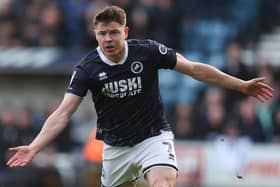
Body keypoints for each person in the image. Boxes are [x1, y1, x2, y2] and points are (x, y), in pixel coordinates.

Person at [7, 5, 274, 187]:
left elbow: (194, 69)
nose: (108, 39)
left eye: (113, 32)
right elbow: (63, 112)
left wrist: (241, 85)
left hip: (152, 137)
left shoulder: (147, 52)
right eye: (102, 34)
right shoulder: (87, 68)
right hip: (115, 149)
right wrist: (35, 146)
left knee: (162, 181)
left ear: (125, 32)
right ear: (95, 35)